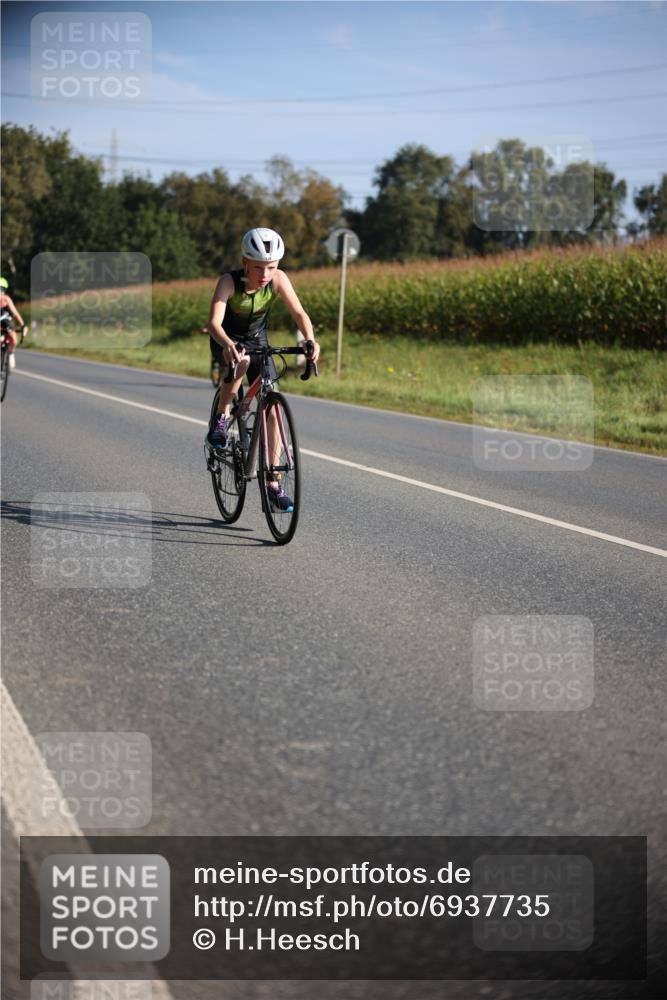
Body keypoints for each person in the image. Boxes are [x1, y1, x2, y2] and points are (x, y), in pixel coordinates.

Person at [206, 228, 320, 512]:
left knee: (272, 407)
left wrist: (310, 339)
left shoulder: (278, 279)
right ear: (245, 262)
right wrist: (229, 344)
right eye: (258, 267)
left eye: (271, 266)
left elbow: (299, 313)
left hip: (258, 341)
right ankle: (222, 415)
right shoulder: (229, 282)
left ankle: (273, 484)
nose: (265, 274)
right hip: (227, 341)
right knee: (241, 362)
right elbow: (214, 323)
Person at [0, 277, 27, 370]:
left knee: (13, 337)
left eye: (1, 289)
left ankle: (11, 353)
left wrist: (23, 325)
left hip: (5, 319)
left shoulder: (6, 299)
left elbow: (15, 313)